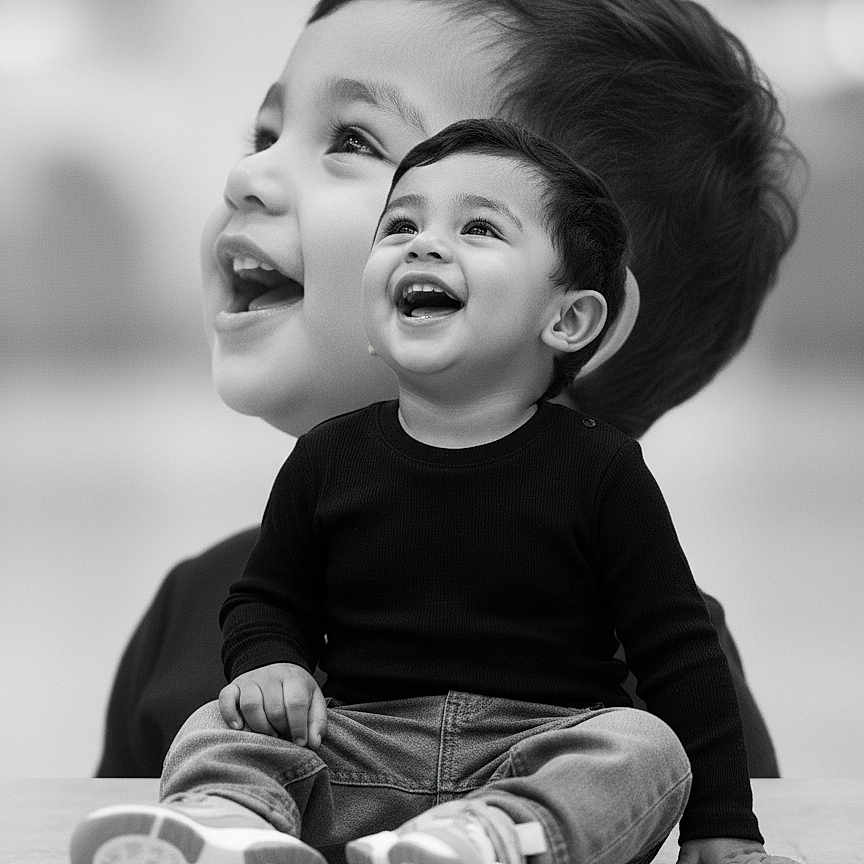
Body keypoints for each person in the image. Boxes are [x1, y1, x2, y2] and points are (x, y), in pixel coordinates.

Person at [96, 0, 800, 780]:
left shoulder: (656, 649)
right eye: (266, 135)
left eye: (355, 140)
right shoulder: (201, 606)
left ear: (573, 315)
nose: (247, 174)